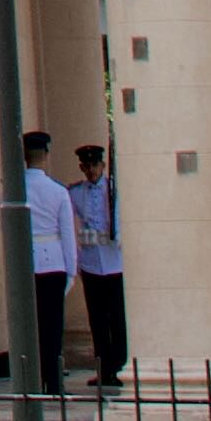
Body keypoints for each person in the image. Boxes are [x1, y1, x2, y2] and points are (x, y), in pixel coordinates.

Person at [72, 140, 132, 390]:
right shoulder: (75, 192)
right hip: (91, 262)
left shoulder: (114, 190)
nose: (91, 170)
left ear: (103, 165)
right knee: (97, 320)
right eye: (86, 166)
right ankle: (103, 367)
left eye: (95, 165)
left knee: (117, 319)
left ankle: (118, 366)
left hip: (113, 261)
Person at [24, 132, 77, 390]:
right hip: (54, 262)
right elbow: (67, 234)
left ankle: (34, 379)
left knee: (30, 325)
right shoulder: (57, 191)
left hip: (26, 264)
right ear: (46, 154)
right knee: (53, 326)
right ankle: (54, 382)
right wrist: (71, 270)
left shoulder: (14, 188)